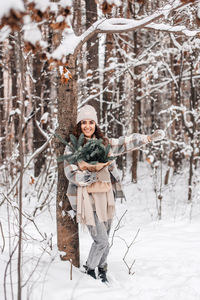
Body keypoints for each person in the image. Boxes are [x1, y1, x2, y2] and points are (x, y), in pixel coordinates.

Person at [63, 104, 165, 283]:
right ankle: (90, 270)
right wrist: (85, 176)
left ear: (95, 124)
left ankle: (102, 268)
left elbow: (125, 142)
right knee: (101, 240)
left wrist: (148, 138)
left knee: (106, 238)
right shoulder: (73, 146)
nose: (88, 126)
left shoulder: (104, 143)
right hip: (86, 199)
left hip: (106, 196)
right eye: (84, 122)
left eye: (91, 122)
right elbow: (69, 170)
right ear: (79, 125)